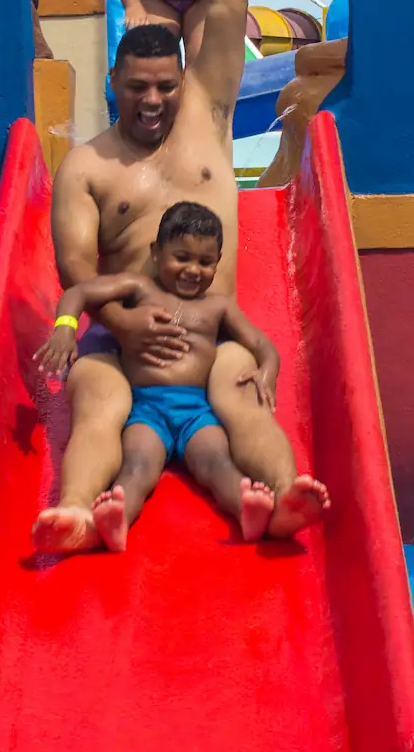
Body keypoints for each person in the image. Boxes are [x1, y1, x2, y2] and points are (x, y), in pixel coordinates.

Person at [36, 0, 322, 555]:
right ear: (114, 82)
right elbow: (76, 270)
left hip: (211, 339)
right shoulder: (87, 168)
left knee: (244, 394)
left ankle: (284, 495)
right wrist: (124, 326)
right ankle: (75, 513)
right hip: (122, 343)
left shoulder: (206, 114)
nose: (154, 100)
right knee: (98, 401)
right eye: (138, 87)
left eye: (166, 84)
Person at [36, 201, 326, 551]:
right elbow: (79, 292)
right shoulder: (139, 288)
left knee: (217, 463)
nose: (193, 270)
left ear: (218, 262)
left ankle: (249, 511)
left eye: (205, 262)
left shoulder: (218, 307)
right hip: (146, 410)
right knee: (138, 466)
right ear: (155, 253)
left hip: (197, 412)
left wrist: (267, 371)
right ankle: (116, 519)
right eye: (181, 257)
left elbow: (261, 344)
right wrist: (65, 328)